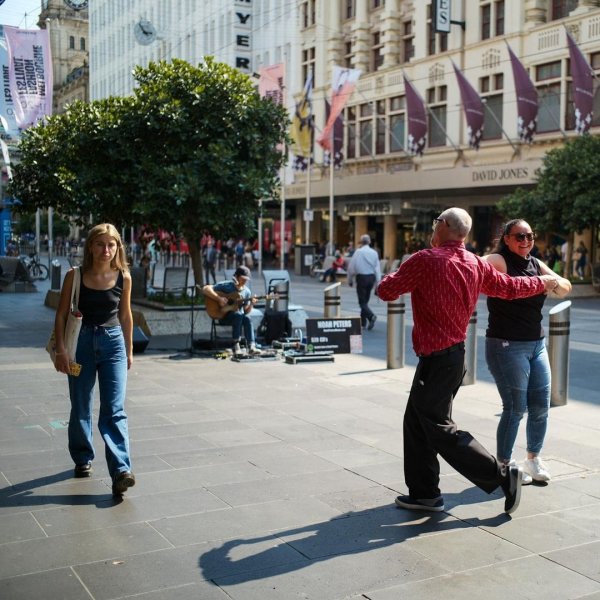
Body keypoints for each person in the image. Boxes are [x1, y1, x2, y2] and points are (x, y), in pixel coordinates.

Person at [376, 208, 560, 515]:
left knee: (438, 427)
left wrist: (397, 271)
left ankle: (502, 475)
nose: (434, 228)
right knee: (417, 423)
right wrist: (543, 281)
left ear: (445, 226)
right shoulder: (475, 263)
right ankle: (425, 494)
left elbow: (386, 290)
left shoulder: (425, 259)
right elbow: (510, 288)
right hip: (454, 359)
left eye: (436, 223)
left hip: (436, 361)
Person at [483, 220, 571, 485]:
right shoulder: (499, 259)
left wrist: (550, 281)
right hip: (506, 345)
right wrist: (539, 283)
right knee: (514, 408)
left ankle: (532, 459)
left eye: (530, 236)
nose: (526, 241)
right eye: (519, 236)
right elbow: (477, 266)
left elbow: (566, 286)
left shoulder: (534, 262)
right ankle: (504, 466)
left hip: (536, 344)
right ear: (506, 238)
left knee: (540, 406)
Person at [53, 223, 135, 497]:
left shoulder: (124, 276)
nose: (106, 250)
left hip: (113, 344)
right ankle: (82, 456)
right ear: (90, 246)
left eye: (111, 245)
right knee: (81, 406)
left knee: (114, 408)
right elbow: (62, 314)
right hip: (82, 342)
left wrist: (129, 349)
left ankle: (121, 470)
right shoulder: (74, 275)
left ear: (117, 248)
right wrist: (62, 350)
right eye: (101, 244)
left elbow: (125, 316)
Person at [202, 265, 262, 355]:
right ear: (236, 277)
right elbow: (205, 289)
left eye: (246, 279)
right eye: (242, 278)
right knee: (238, 315)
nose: (244, 281)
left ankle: (251, 346)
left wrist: (252, 304)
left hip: (239, 318)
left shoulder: (247, 292)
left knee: (247, 318)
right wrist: (219, 299)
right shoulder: (227, 286)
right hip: (223, 316)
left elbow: (246, 311)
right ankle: (236, 345)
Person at [347, 234, 381, 330]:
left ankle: (371, 316)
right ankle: (363, 322)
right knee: (365, 301)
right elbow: (377, 268)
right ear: (369, 242)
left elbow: (351, 267)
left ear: (361, 242)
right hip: (371, 278)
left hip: (361, 278)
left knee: (362, 302)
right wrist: (378, 283)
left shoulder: (358, 252)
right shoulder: (374, 253)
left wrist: (350, 280)